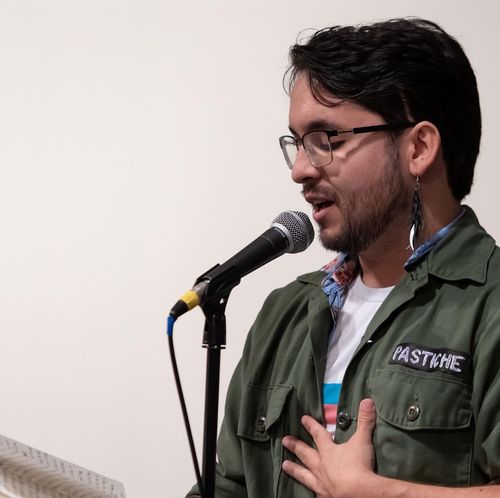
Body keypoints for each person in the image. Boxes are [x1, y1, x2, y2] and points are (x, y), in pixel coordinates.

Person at [187, 17, 500, 498]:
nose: (300, 170)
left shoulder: (489, 306)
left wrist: (379, 494)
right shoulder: (284, 313)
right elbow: (229, 484)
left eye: (326, 139)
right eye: (297, 143)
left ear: (418, 148)